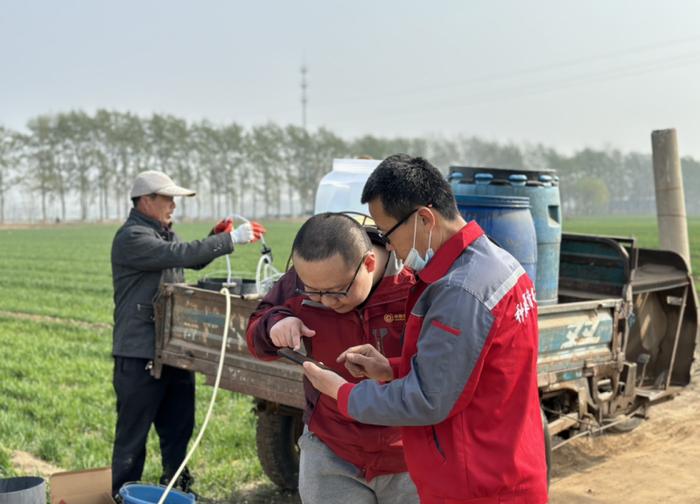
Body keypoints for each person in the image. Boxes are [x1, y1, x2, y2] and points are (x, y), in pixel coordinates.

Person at [303, 155, 548, 504]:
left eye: (387, 233)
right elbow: (468, 371)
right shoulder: (497, 264)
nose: (389, 247)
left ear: (424, 219)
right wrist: (392, 368)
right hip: (504, 465)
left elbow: (427, 398)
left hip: (475, 484)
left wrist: (342, 393)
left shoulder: (460, 291)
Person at [246, 213, 419, 504]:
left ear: (369, 264)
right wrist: (275, 323)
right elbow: (256, 330)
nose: (325, 301)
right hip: (332, 448)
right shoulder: (298, 282)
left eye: (337, 292)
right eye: (314, 292)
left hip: (407, 453)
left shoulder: (413, 281)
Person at [110, 170, 265, 496]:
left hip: (174, 349)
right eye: (168, 198)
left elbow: (188, 260)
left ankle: (176, 487)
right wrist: (229, 240)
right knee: (132, 437)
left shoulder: (164, 235)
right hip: (140, 352)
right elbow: (176, 255)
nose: (173, 205)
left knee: (178, 428)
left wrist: (213, 235)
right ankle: (124, 494)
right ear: (146, 200)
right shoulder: (132, 238)